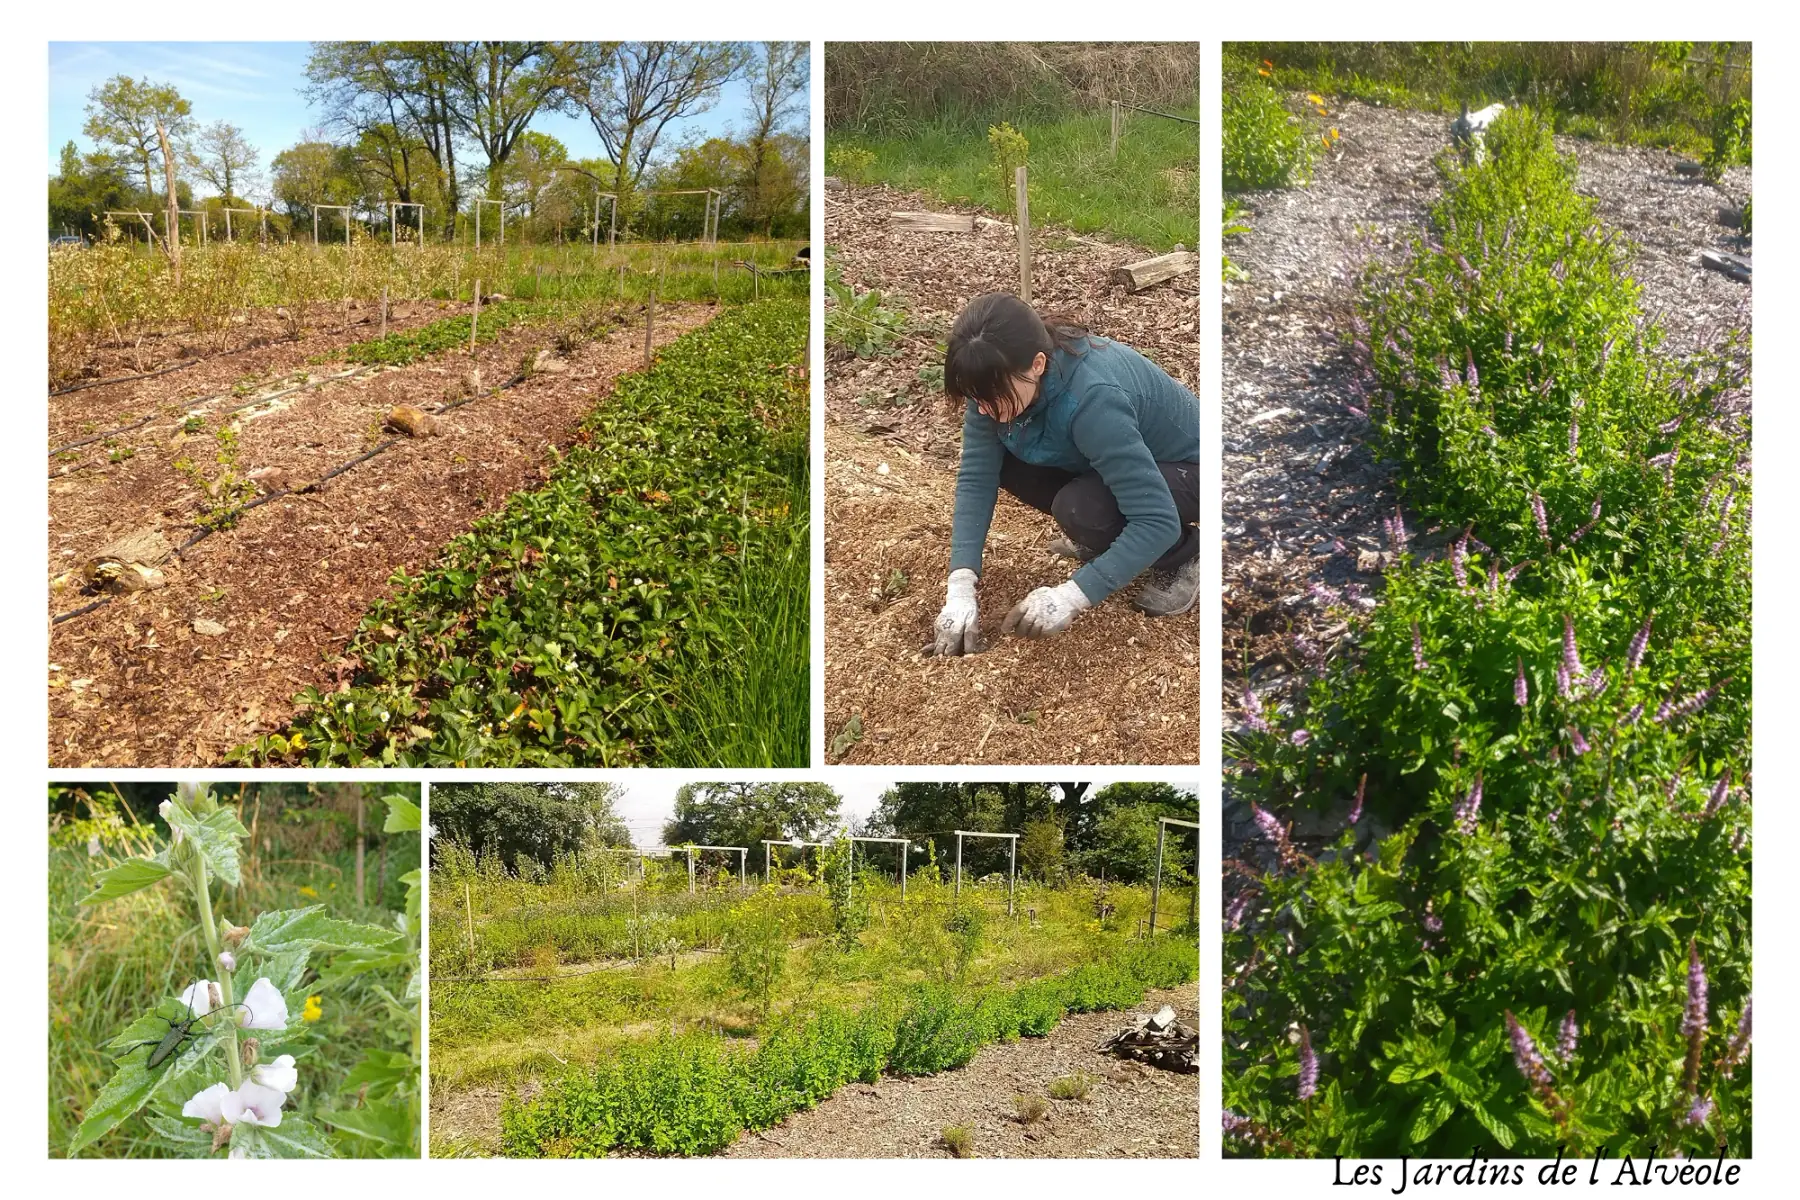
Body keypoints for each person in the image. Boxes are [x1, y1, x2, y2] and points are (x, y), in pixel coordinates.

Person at [933, 292, 1199, 655]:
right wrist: (960, 585)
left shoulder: (1093, 399)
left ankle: (1185, 556)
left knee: (1085, 510)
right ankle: (1107, 536)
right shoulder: (992, 384)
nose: (983, 408)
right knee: (1008, 463)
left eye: (992, 396)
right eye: (975, 397)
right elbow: (976, 477)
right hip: (1130, 462)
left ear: (1038, 364)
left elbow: (1156, 520)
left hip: (1201, 471)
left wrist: (1072, 596)